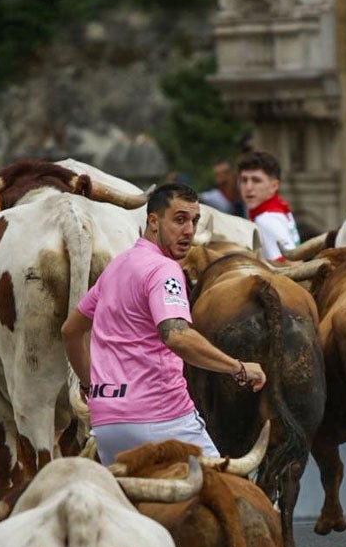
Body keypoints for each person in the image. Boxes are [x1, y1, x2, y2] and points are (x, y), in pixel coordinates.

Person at [62, 183, 266, 464]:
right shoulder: (164, 270)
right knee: (230, 500)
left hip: (108, 426)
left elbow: (70, 331)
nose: (189, 231)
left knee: (135, 508)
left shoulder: (116, 268)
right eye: (179, 220)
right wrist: (238, 368)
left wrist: (90, 386)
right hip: (163, 421)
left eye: (194, 221)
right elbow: (177, 336)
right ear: (154, 222)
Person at [238, 150, 300, 262]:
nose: (248, 187)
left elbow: (286, 265)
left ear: (274, 186)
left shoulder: (266, 219)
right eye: (244, 180)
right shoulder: (278, 210)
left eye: (256, 180)